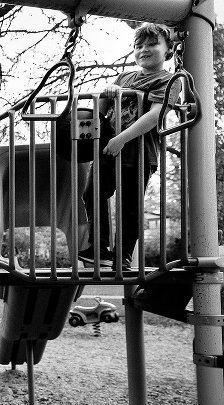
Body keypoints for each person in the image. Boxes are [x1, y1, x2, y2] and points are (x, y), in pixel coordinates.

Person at [78, 22, 181, 270]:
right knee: (92, 193)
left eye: (152, 44)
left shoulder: (169, 80)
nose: (144, 49)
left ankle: (122, 255)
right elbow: (101, 112)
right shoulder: (125, 77)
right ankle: (99, 249)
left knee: (130, 204)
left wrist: (122, 139)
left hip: (138, 152)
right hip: (108, 147)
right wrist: (107, 93)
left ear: (169, 49)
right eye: (138, 45)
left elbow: (155, 114)